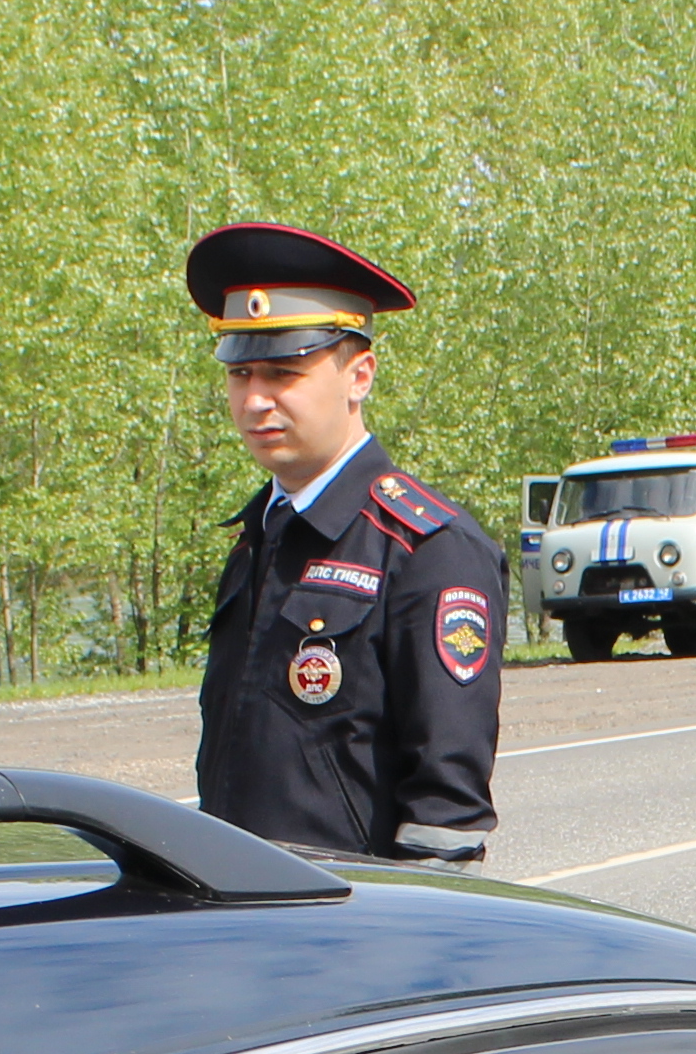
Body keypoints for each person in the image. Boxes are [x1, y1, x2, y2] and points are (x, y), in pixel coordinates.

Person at [184, 223, 501, 866]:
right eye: (240, 373)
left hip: (346, 930)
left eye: (283, 372)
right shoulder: (259, 536)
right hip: (237, 912)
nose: (255, 399)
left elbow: (446, 820)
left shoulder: (427, 549)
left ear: (360, 376)